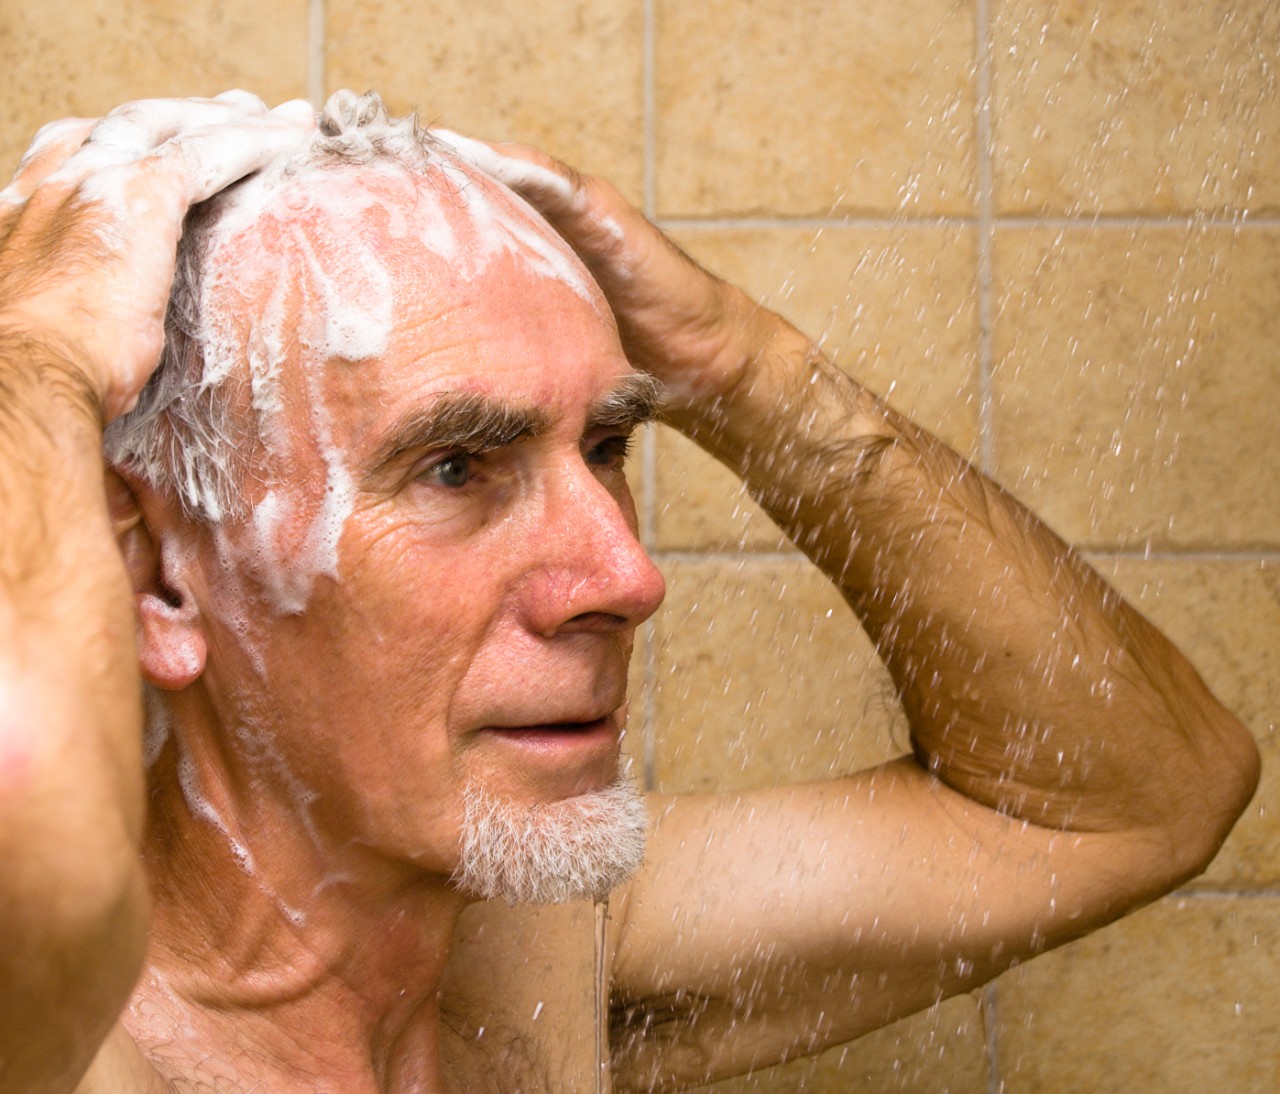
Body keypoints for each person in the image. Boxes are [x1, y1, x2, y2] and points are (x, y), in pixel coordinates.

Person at [0, 88, 1259, 1093]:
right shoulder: (61, 1045)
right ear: (159, 576)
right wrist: (39, 359)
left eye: (606, 446)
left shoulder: (538, 958)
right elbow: (34, 825)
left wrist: (736, 362)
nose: (627, 575)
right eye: (455, 467)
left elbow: (1135, 795)